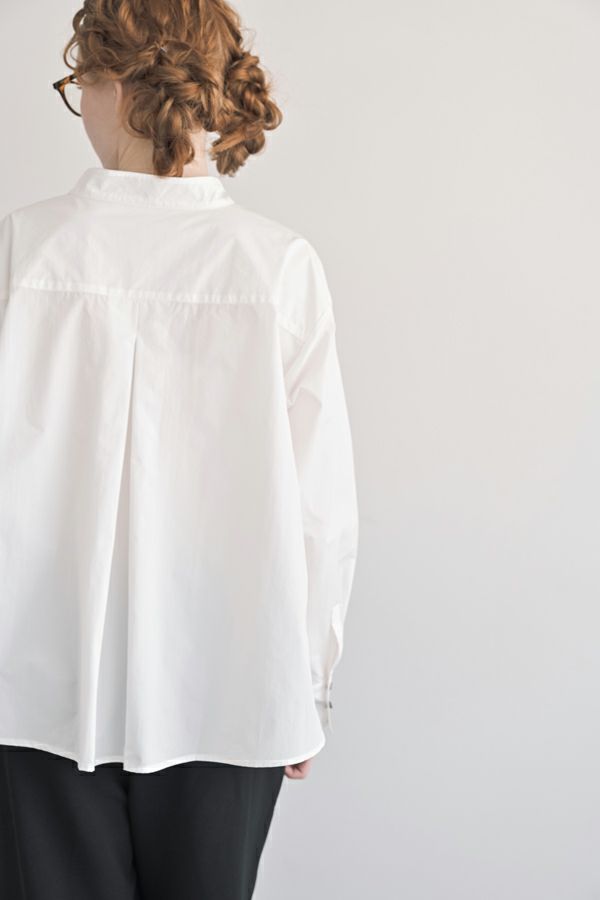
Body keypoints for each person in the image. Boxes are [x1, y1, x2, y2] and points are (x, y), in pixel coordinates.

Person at [0, 1, 359, 897]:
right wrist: (308, 683)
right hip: (231, 684)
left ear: (112, 85)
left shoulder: (22, 252)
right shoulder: (277, 268)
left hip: (31, 683)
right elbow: (321, 508)